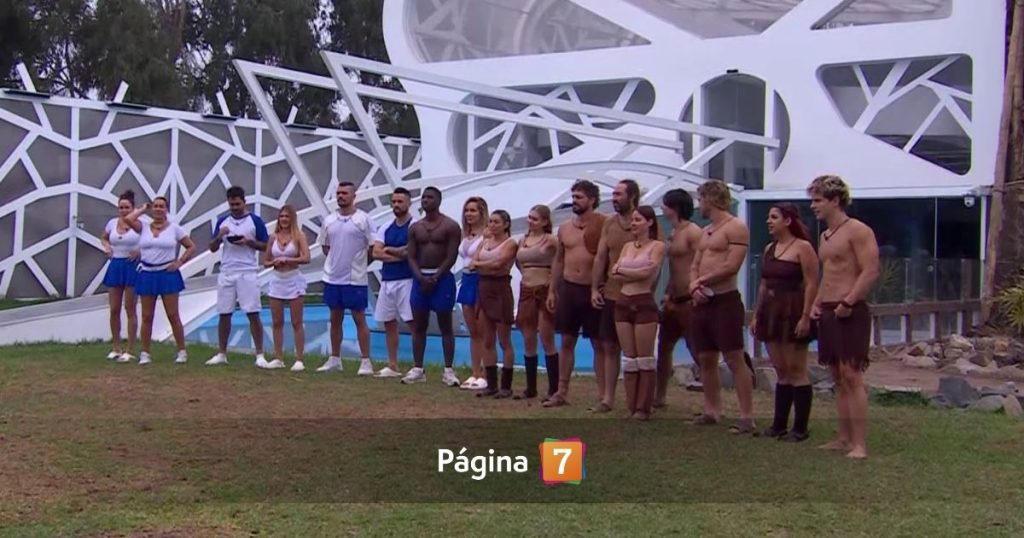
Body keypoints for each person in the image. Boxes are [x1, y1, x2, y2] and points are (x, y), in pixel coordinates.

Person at [808, 175, 879, 459]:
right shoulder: (825, 235)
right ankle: (844, 438)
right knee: (837, 375)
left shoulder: (858, 230)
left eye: (818, 200)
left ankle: (860, 444)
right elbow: (828, 274)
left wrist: (849, 301)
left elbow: (870, 270)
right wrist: (816, 303)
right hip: (828, 308)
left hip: (850, 309)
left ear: (835, 200)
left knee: (852, 374)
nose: (813, 206)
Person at [689, 180, 756, 433]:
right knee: (706, 357)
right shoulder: (705, 231)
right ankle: (712, 409)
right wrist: (694, 286)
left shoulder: (735, 227)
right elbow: (696, 263)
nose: (699, 204)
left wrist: (703, 281)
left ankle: (747, 416)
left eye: (701, 199)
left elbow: (731, 265)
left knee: (734, 357)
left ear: (711, 198)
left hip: (725, 300)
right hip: (703, 302)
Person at [750, 203, 819, 441]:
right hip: (771, 311)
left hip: (793, 310)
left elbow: (811, 282)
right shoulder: (769, 248)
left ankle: (800, 428)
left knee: (796, 369)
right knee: (781, 370)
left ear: (788, 221)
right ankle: (778, 424)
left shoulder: (803, 248)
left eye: (774, 217)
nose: (769, 221)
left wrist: (806, 316)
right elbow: (763, 283)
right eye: (768, 217)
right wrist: (757, 314)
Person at [543, 180, 606, 408]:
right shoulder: (565, 228)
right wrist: (552, 290)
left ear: (592, 199)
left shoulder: (603, 224)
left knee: (598, 343)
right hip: (569, 287)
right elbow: (559, 260)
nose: (574, 201)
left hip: (592, 288)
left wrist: (602, 286)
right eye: (573, 197)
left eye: (579, 197)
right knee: (567, 340)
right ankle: (561, 391)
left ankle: (603, 394)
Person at [124, 197, 196, 365]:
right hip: (147, 273)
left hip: (167, 274)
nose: (158, 209)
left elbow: (191, 246)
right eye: (155, 206)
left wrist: (180, 262)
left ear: (166, 209)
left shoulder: (174, 229)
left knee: (173, 315)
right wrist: (143, 208)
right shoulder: (143, 227)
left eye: (161, 206)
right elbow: (128, 219)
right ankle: (145, 353)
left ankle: (182, 351)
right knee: (147, 316)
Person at [316, 182, 377, 375]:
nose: (341, 196)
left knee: (359, 318)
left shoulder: (363, 219)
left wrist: (360, 265)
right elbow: (325, 246)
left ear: (353, 196)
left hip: (355, 279)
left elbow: (373, 247)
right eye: (338, 193)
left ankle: (365, 361)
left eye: (345, 193)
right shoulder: (329, 220)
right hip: (332, 278)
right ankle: (335, 359)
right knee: (335, 318)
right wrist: (335, 263)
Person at [403, 186, 462, 386]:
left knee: (445, 324)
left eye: (430, 197)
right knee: (419, 325)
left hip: (441, 278)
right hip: (421, 278)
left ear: (438, 200)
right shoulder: (415, 227)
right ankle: (418, 368)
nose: (425, 201)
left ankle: (449, 370)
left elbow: (451, 255)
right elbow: (411, 255)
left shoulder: (450, 226)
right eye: (423, 198)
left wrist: (436, 276)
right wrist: (420, 276)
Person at [612, 206, 666, 420]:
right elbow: (614, 273)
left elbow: (648, 272)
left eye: (638, 220)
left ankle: (644, 407)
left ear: (649, 222)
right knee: (630, 358)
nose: (633, 223)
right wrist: (627, 272)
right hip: (623, 300)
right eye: (632, 220)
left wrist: (623, 271)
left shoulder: (657, 246)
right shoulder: (627, 247)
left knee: (645, 358)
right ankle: (631, 404)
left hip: (643, 300)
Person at [206, 186, 269, 368]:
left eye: (237, 204)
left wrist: (248, 242)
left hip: (247, 270)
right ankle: (222, 353)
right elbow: (212, 248)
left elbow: (265, 245)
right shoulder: (223, 221)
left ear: (244, 202)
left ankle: (259, 354)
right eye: (231, 204)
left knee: (252, 312)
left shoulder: (255, 221)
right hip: (227, 270)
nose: (234, 208)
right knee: (224, 313)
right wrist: (220, 236)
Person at [591, 179, 638, 412]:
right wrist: (594, 288)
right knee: (609, 345)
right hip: (611, 292)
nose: (614, 198)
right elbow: (601, 257)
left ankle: (639, 398)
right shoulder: (609, 223)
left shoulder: (643, 221)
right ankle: (607, 397)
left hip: (635, 293)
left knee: (635, 350)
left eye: (619, 194)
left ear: (632, 196)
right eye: (614, 194)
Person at [656, 189, 701, 408]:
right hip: (673, 297)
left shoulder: (693, 232)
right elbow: (674, 269)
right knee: (664, 347)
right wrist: (667, 292)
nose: (662, 209)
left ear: (674, 207)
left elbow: (701, 262)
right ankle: (660, 396)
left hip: (689, 298)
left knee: (697, 348)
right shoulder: (674, 232)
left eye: (665, 205)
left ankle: (712, 399)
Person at [467, 210, 518, 398]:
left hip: (500, 288)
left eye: (496, 222)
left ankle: (506, 385)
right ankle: (491, 383)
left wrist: (479, 265)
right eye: (490, 222)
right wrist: (480, 265)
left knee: (504, 339)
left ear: (506, 224)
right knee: (487, 338)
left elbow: (499, 263)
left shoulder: (510, 243)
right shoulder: (485, 242)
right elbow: (474, 260)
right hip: (484, 287)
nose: (492, 225)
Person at [513, 205, 558, 400]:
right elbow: (518, 263)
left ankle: (554, 388)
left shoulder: (551, 240)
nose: (530, 221)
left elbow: (559, 263)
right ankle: (530, 387)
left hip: (544, 288)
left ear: (545, 222)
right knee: (528, 336)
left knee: (546, 336)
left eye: (535, 219)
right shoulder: (523, 240)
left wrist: (552, 287)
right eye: (529, 217)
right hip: (526, 289)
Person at [371, 187, 416, 378]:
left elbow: (411, 252)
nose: (396, 205)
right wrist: (398, 255)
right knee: (388, 322)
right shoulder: (386, 226)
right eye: (394, 202)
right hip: (387, 281)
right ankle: (393, 364)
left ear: (409, 203)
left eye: (400, 202)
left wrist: (389, 251)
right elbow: (376, 252)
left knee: (413, 323)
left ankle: (418, 365)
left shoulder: (415, 226)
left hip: (407, 280)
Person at [264, 205, 311, 372]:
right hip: (277, 280)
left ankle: (299, 358)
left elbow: (306, 257)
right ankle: (278, 357)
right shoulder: (273, 237)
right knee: (277, 321)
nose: (284, 219)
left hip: (293, 279)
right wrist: (274, 262)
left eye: (287, 216)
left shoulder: (299, 236)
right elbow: (265, 261)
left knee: (296, 321)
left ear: (292, 219)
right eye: (281, 216)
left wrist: (289, 260)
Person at [101, 190, 141, 363]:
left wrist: (139, 251)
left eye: (127, 207)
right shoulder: (112, 223)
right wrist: (107, 247)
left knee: (130, 308)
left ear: (133, 208)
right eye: (121, 207)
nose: (124, 211)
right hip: (116, 265)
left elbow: (150, 241)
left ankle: (130, 349)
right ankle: (116, 347)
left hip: (131, 266)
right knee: (114, 309)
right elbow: (103, 237)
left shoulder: (141, 224)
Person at [457, 197, 488, 389]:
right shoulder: (466, 235)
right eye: (467, 210)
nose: (469, 214)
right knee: (473, 331)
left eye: (473, 210)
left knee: (483, 329)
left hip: (480, 280)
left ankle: (485, 372)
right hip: (467, 280)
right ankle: (475, 371)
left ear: (481, 213)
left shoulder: (487, 235)